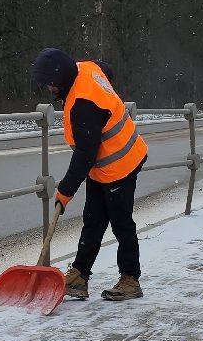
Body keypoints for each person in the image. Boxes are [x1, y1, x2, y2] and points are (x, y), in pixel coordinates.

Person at [32, 47, 148, 301]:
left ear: (61, 78)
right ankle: (80, 275)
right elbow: (106, 69)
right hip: (102, 165)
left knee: (121, 222)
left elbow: (85, 154)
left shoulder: (84, 104)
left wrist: (65, 190)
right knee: (93, 220)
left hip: (122, 163)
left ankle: (130, 279)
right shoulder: (85, 68)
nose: (49, 89)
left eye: (51, 84)